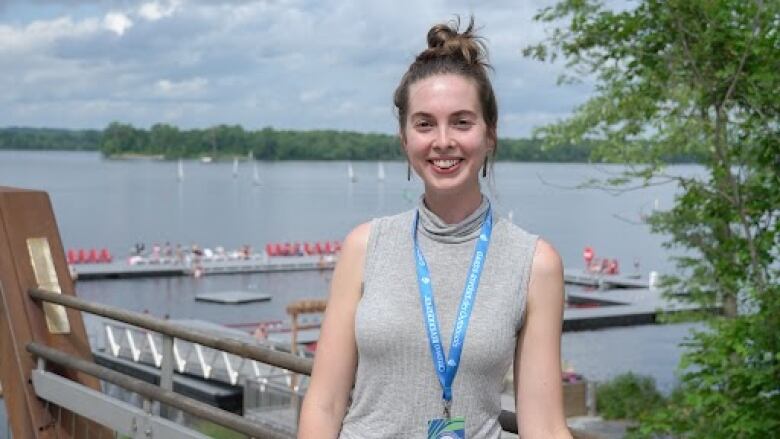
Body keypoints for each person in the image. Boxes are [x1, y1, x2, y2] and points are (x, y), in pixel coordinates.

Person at [299, 17, 571, 439]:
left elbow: (545, 426)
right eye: (424, 124)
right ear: (405, 138)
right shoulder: (365, 246)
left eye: (462, 122)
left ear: (490, 135)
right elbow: (324, 403)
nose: (443, 141)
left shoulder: (534, 263)